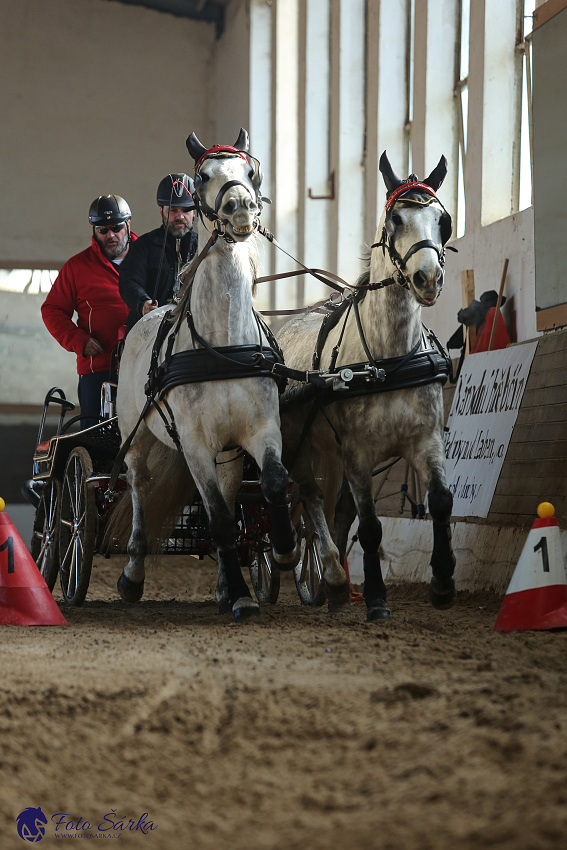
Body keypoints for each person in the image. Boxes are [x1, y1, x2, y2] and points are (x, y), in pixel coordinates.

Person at [41, 195, 136, 427]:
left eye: (116, 227)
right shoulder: (77, 267)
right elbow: (52, 309)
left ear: (128, 224)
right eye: (103, 229)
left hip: (146, 365)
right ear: (94, 230)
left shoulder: (150, 258)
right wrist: (78, 340)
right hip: (98, 369)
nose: (111, 235)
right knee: (97, 442)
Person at [118, 173, 198, 332]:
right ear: (161, 211)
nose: (180, 216)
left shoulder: (206, 247)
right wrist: (142, 304)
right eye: (173, 210)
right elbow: (129, 281)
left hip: (196, 328)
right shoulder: (142, 246)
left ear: (194, 212)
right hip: (149, 329)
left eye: (186, 210)